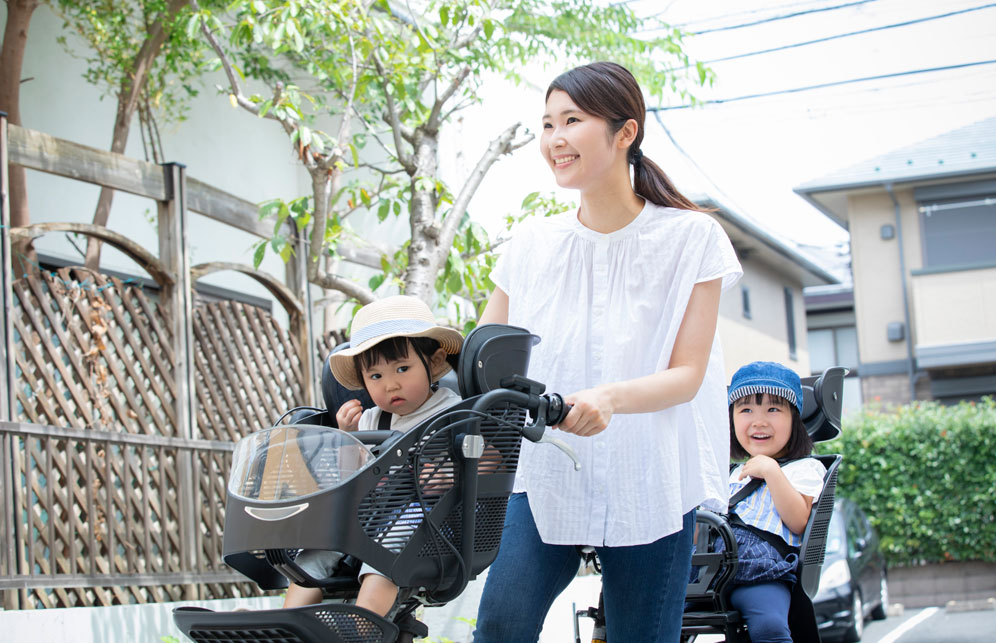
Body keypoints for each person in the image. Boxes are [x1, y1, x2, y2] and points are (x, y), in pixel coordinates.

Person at [473, 61, 743, 642]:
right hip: (547, 469)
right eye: (547, 124)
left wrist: (609, 399)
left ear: (626, 132)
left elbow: (688, 374)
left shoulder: (691, 238)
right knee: (500, 627)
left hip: (652, 476)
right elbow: (482, 358)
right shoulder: (531, 244)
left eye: (572, 120)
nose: (555, 138)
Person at [283, 295, 463, 617]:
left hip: (429, 520)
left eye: (402, 369)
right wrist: (347, 438)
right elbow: (351, 479)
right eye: (376, 376)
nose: (390, 385)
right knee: (317, 547)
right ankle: (288, 624)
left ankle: (363, 625)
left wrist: (450, 473)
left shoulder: (450, 410)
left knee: (386, 553)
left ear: (433, 362)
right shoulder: (371, 419)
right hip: (373, 514)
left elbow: (486, 460)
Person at [723, 361, 828, 643]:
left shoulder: (803, 469)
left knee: (769, 627)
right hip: (710, 570)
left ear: (794, 419)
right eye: (746, 410)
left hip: (760, 573)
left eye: (773, 409)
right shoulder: (727, 474)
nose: (759, 421)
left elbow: (799, 521)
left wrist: (771, 471)